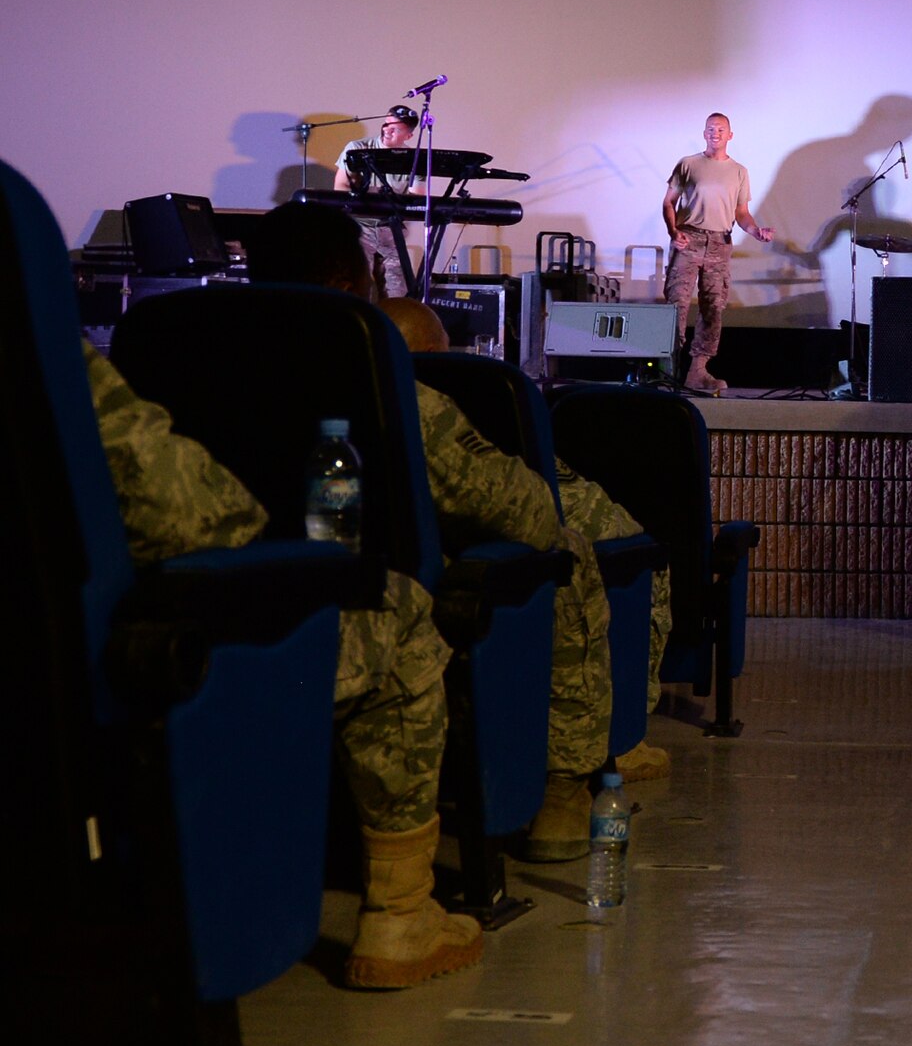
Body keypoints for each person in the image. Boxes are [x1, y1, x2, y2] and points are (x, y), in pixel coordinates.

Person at [85, 339, 482, 989]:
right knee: (400, 607)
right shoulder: (34, 334)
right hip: (128, 662)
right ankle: (401, 915)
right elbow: (186, 509)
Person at [246, 202, 618, 862]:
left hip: (241, 603)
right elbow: (526, 511)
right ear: (343, 286)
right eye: (371, 282)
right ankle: (562, 791)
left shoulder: (204, 367)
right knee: (566, 550)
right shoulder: (377, 386)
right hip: (370, 610)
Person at [378, 296, 673, 782]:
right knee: (623, 552)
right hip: (471, 573)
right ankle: (619, 741)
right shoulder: (467, 400)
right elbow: (539, 512)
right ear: (435, 355)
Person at [662, 112, 773, 394]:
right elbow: (668, 203)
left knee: (713, 308)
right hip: (690, 239)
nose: (715, 133)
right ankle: (667, 369)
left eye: (721, 129)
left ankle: (697, 371)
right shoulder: (688, 164)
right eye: (711, 128)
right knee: (677, 304)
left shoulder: (739, 172)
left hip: (720, 244)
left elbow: (741, 213)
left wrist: (756, 231)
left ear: (730, 135)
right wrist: (674, 233)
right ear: (704, 133)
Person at [332, 104, 427, 298]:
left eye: (395, 129)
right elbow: (340, 186)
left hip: (391, 229)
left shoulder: (415, 160)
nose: (387, 130)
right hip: (359, 226)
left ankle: (394, 325)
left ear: (408, 136)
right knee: (357, 285)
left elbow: (417, 197)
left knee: (397, 289)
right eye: (386, 124)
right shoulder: (357, 148)